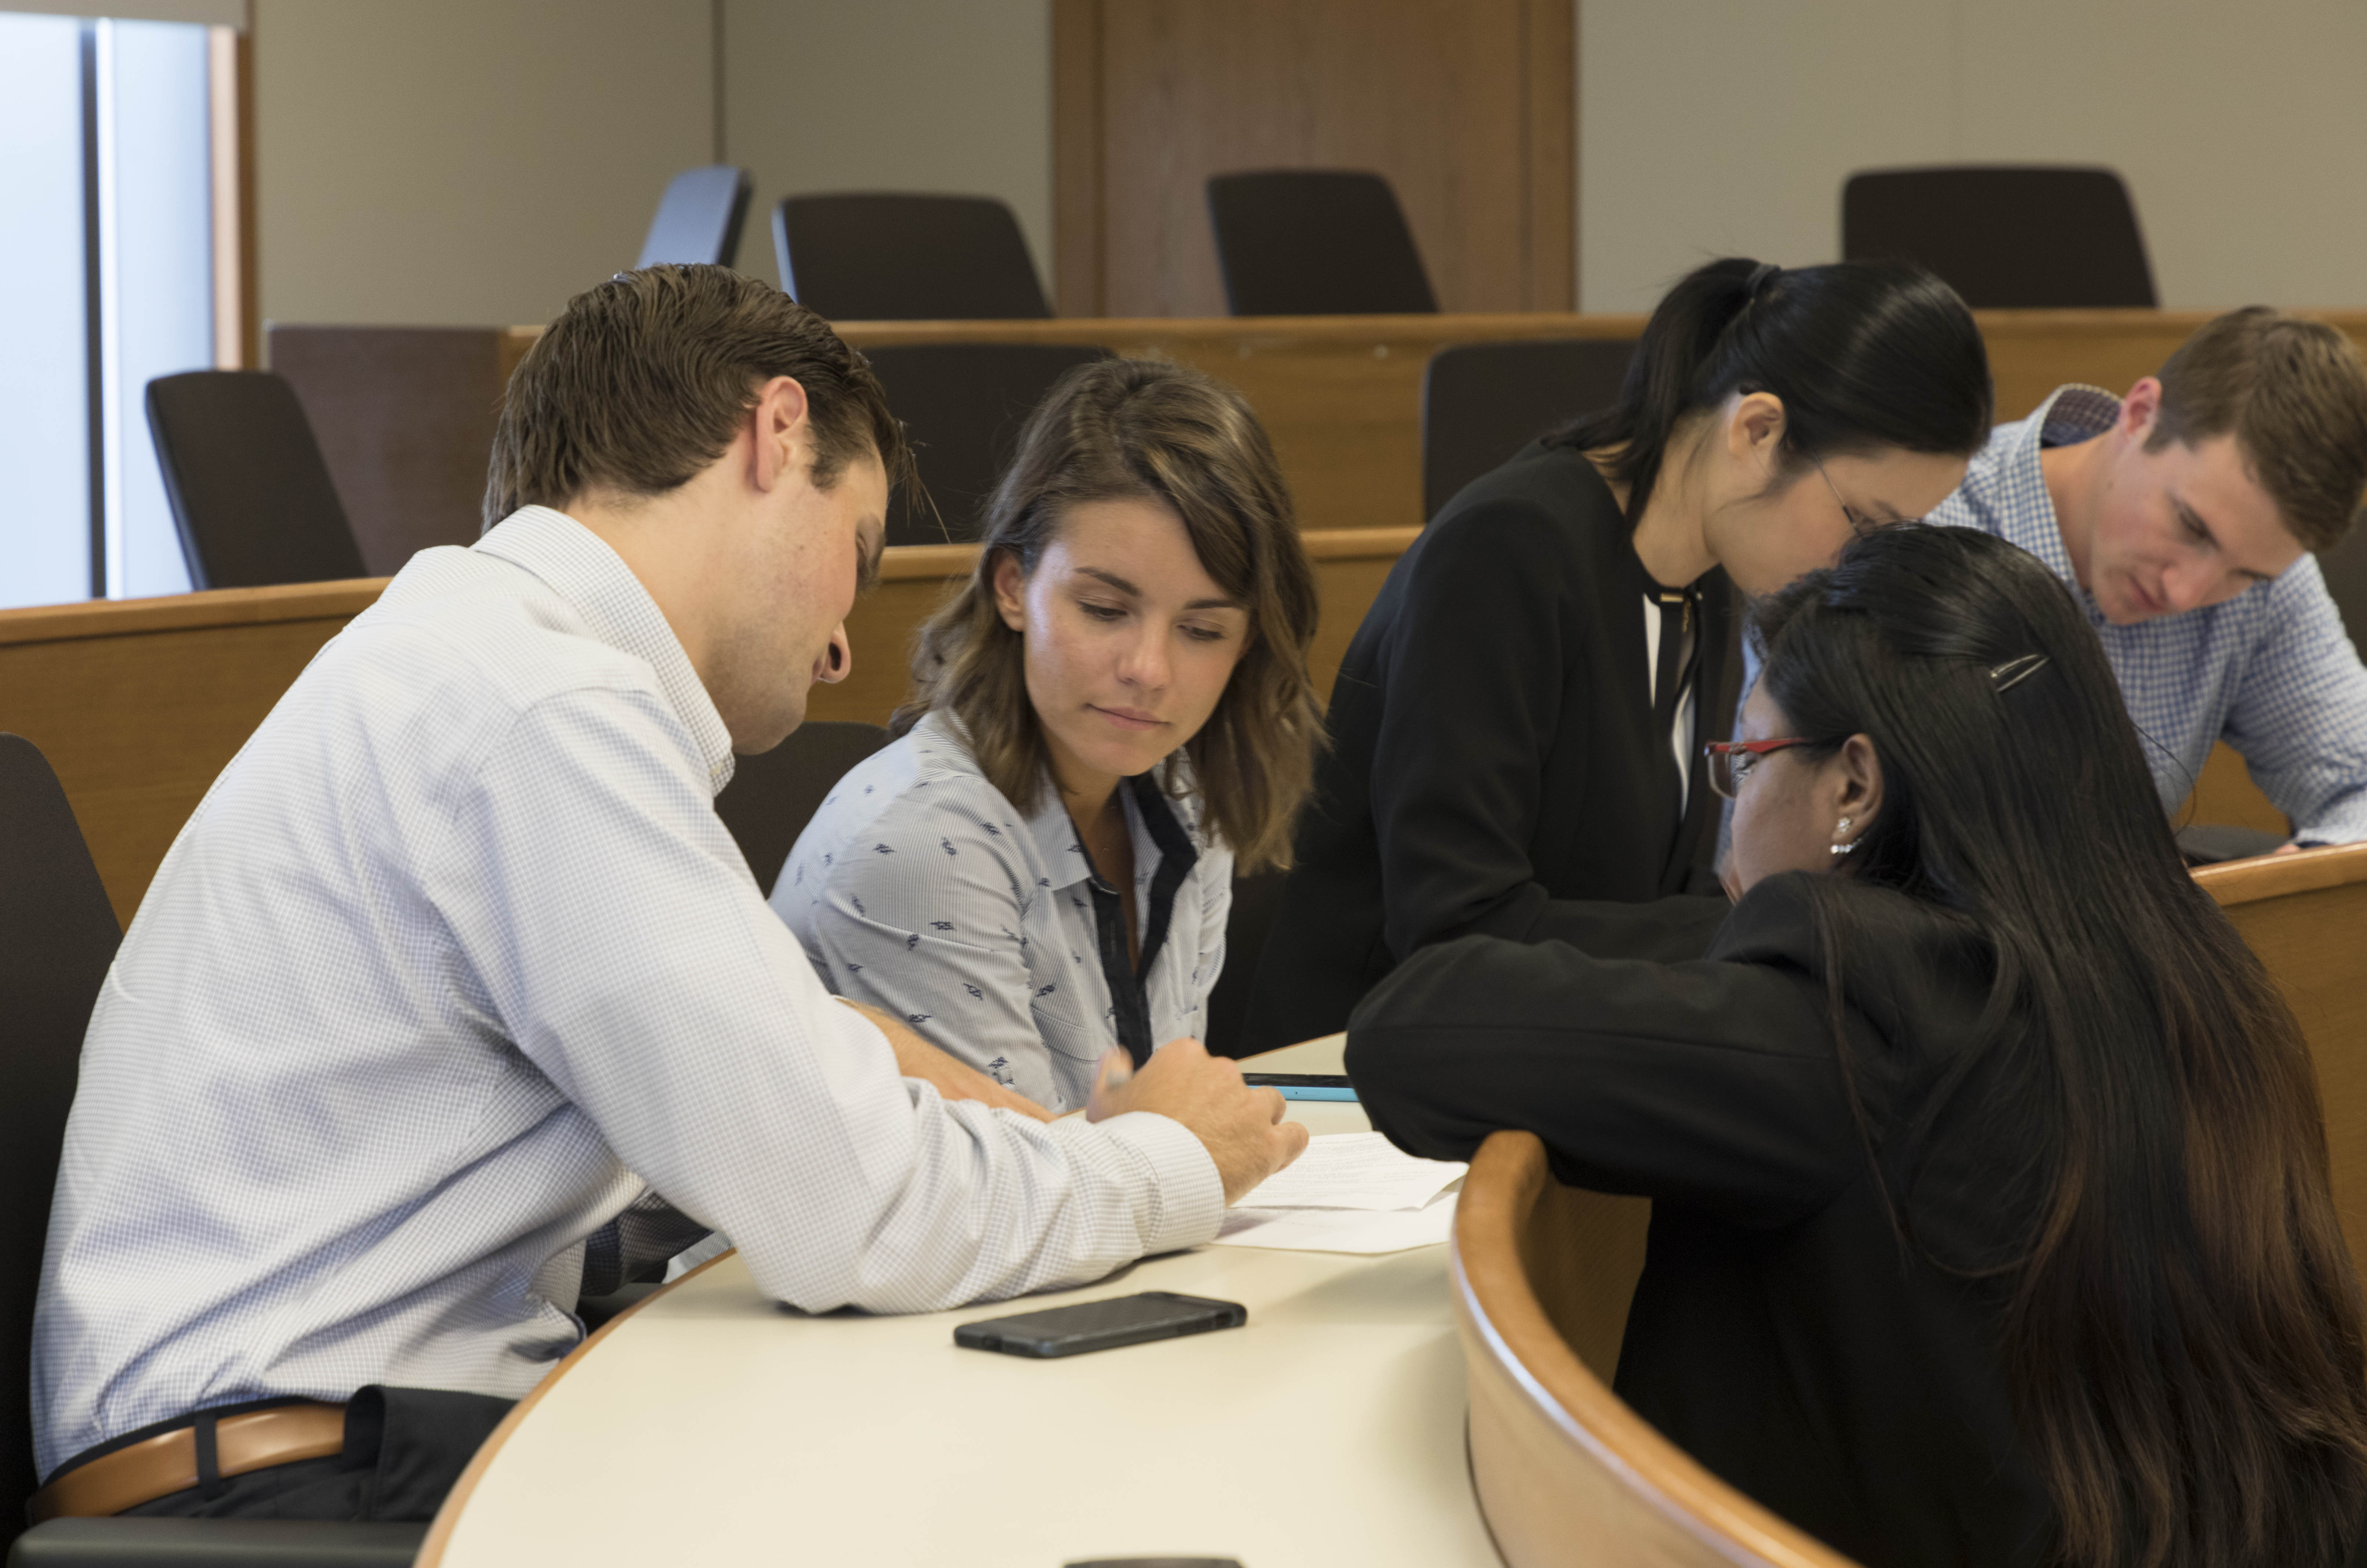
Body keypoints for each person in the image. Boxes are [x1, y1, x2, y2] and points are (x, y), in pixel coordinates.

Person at [29, 267, 1305, 1525]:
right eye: (853, 556)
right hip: (294, 1491)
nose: (843, 644)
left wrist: (982, 1123)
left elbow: (784, 1100)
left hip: (318, 1445)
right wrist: (1168, 1160)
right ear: (777, 431)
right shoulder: (542, 708)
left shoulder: (481, 660)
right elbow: (852, 1211)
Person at [1348, 523, 2367, 1568]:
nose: (1732, 809)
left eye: (1746, 759)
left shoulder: (1865, 1019)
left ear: (1854, 788)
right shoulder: (2203, 980)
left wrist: (1756, 928)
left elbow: (1412, 1029)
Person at [1240, 256, 1992, 1051]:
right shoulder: (1509, 548)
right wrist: (1778, 926)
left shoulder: (1703, 576)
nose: (1854, 563)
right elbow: (1453, 922)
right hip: (1353, 1078)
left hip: (1526, 1047)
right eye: (1863, 522)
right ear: (1757, 431)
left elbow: (1634, 897)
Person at [772, 359, 1322, 1113]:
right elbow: (1023, 1194)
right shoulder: (924, 840)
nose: (1149, 670)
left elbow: (1144, 1143)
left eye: (1201, 629)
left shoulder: (1183, 792)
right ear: (1010, 587)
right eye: (1102, 608)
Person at [1926, 306, 2367, 843]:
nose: (2186, 593)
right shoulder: (1926, 522)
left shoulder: (2270, 584)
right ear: (2139, 415)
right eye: (2191, 526)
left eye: (2244, 573)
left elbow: (2357, 778)